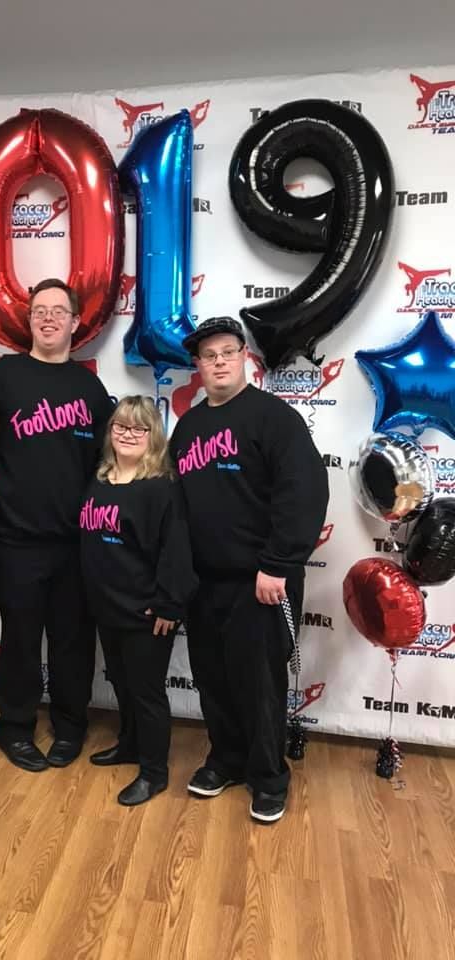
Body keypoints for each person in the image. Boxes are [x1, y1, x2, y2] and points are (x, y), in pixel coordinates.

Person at [169, 317, 329, 823]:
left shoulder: (274, 419)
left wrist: (278, 564)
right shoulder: (189, 427)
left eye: (226, 353)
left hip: (262, 581)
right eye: (208, 355)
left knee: (259, 683)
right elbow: (176, 506)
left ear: (245, 358)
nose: (217, 362)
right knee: (212, 677)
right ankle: (225, 759)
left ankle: (268, 776)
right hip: (204, 582)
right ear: (197, 366)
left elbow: (303, 493)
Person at [0, 278, 114, 772]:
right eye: (40, 310)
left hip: (76, 545)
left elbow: (109, 466)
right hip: (16, 541)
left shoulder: (89, 387)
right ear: (29, 319)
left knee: (73, 644)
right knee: (18, 641)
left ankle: (69, 727)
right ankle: (15, 729)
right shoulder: (4, 375)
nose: (48, 318)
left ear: (75, 322)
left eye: (58, 311)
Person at [81, 397, 197, 806]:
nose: (128, 435)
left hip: (146, 613)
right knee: (123, 685)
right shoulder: (99, 478)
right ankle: (129, 744)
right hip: (106, 606)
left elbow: (176, 550)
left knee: (147, 693)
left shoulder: (161, 487)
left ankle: (154, 771)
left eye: (138, 429)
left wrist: (169, 604)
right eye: (120, 427)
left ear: (153, 436)